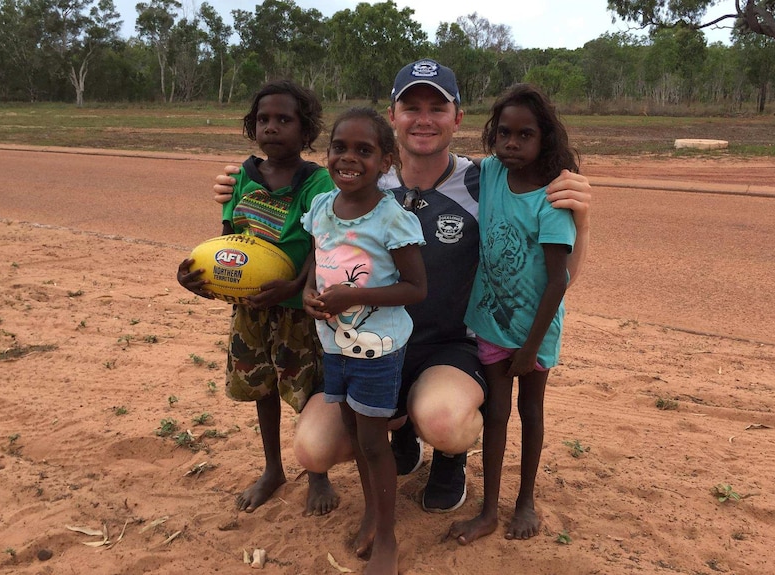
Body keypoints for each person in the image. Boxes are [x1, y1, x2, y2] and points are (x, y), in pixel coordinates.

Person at [211, 60, 592, 519]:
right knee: (312, 448)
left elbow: (552, 266)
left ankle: (449, 457)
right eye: (411, 106)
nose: (424, 118)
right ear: (393, 117)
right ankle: (401, 430)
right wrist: (241, 183)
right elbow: (298, 203)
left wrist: (580, 217)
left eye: (438, 107)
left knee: (445, 421)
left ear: (458, 118)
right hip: (372, 346)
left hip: (448, 348)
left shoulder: (484, 179)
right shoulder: (363, 176)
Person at [177, 79, 341, 517]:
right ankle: (273, 469)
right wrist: (204, 279)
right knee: (262, 388)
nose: (272, 127)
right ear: (253, 128)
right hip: (251, 309)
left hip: (298, 311)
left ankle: (318, 472)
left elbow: (321, 242)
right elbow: (230, 242)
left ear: (305, 132)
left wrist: (293, 287)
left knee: (307, 389)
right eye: (264, 120)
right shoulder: (242, 179)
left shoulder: (317, 181)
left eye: (284, 120)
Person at [448, 83, 576, 545]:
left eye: (525, 135)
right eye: (503, 134)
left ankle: (525, 501)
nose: (512, 144)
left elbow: (558, 280)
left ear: (545, 139)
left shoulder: (553, 198)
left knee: (531, 412)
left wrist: (529, 348)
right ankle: (487, 511)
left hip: (534, 331)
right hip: (489, 323)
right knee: (497, 414)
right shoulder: (493, 176)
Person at [301, 107, 427, 574]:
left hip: (376, 348)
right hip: (334, 343)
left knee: (375, 442)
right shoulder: (320, 207)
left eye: (364, 150)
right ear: (327, 152)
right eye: (340, 147)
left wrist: (355, 294)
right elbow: (318, 259)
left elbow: (417, 288)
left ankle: (388, 541)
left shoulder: (391, 218)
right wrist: (308, 293)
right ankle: (373, 511)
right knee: (354, 435)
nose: (349, 158)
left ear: (386, 161)